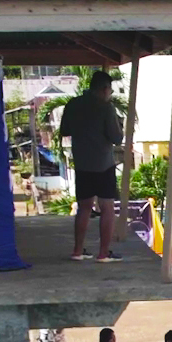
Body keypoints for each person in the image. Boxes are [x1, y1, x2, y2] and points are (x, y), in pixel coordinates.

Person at [60, 70, 125, 263]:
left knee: (84, 208)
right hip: (103, 164)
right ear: (105, 89)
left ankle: (78, 250)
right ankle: (104, 253)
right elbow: (116, 137)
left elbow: (65, 130)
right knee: (107, 208)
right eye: (110, 91)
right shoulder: (106, 108)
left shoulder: (73, 104)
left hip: (81, 163)